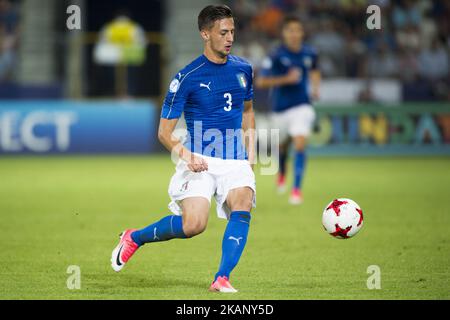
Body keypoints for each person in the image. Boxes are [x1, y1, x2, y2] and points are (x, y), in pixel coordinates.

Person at [111, 5, 256, 293]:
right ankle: (135, 237)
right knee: (194, 225)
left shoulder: (244, 69)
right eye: (223, 32)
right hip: (198, 157)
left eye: (232, 32)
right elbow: (164, 132)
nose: (229, 38)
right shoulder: (187, 77)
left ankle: (222, 277)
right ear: (205, 34)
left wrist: (250, 152)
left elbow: (248, 111)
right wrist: (187, 156)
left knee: (242, 205)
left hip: (235, 159)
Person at [255, 16, 321, 205]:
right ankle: (282, 173)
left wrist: (316, 88)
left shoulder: (310, 53)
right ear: (284, 33)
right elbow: (261, 82)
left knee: (300, 143)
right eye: (290, 30)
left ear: (302, 33)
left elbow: (315, 70)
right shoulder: (275, 55)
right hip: (280, 109)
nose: (294, 34)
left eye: (297, 30)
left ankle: (296, 190)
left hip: (302, 105)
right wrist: (286, 79)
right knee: (283, 146)